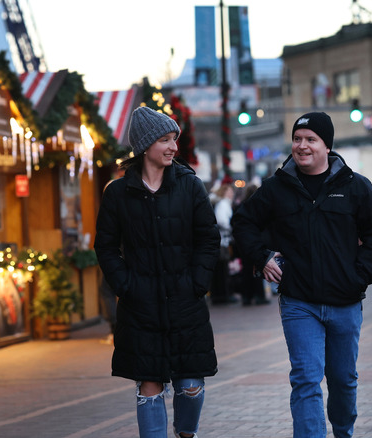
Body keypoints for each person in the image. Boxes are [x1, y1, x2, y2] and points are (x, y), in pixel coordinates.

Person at [232, 112, 372, 437]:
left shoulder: (355, 186)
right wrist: (261, 257)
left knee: (343, 380)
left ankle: (343, 432)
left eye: (310, 139)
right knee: (305, 377)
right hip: (299, 302)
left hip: (345, 301)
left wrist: (360, 275)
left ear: (326, 146)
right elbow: (243, 222)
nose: (301, 146)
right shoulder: (276, 188)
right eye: (297, 139)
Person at [94, 106, 219, 438]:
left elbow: (209, 238)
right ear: (145, 145)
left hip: (185, 302)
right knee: (149, 384)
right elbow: (106, 247)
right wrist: (126, 285)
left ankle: (185, 432)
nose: (173, 147)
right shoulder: (118, 194)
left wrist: (197, 282)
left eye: (174, 139)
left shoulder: (190, 186)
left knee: (191, 385)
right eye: (164, 140)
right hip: (141, 305)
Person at [231, 183, 270, 305]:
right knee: (259, 268)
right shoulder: (260, 206)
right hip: (258, 242)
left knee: (246, 271)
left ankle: (246, 296)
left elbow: (235, 223)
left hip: (243, 244)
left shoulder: (240, 207)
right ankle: (259, 295)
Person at [210, 183, 237, 304]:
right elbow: (221, 220)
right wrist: (231, 228)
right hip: (223, 241)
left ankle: (221, 294)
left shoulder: (223, 204)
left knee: (222, 269)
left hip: (223, 240)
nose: (232, 194)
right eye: (229, 191)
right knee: (222, 269)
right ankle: (222, 295)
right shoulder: (224, 204)